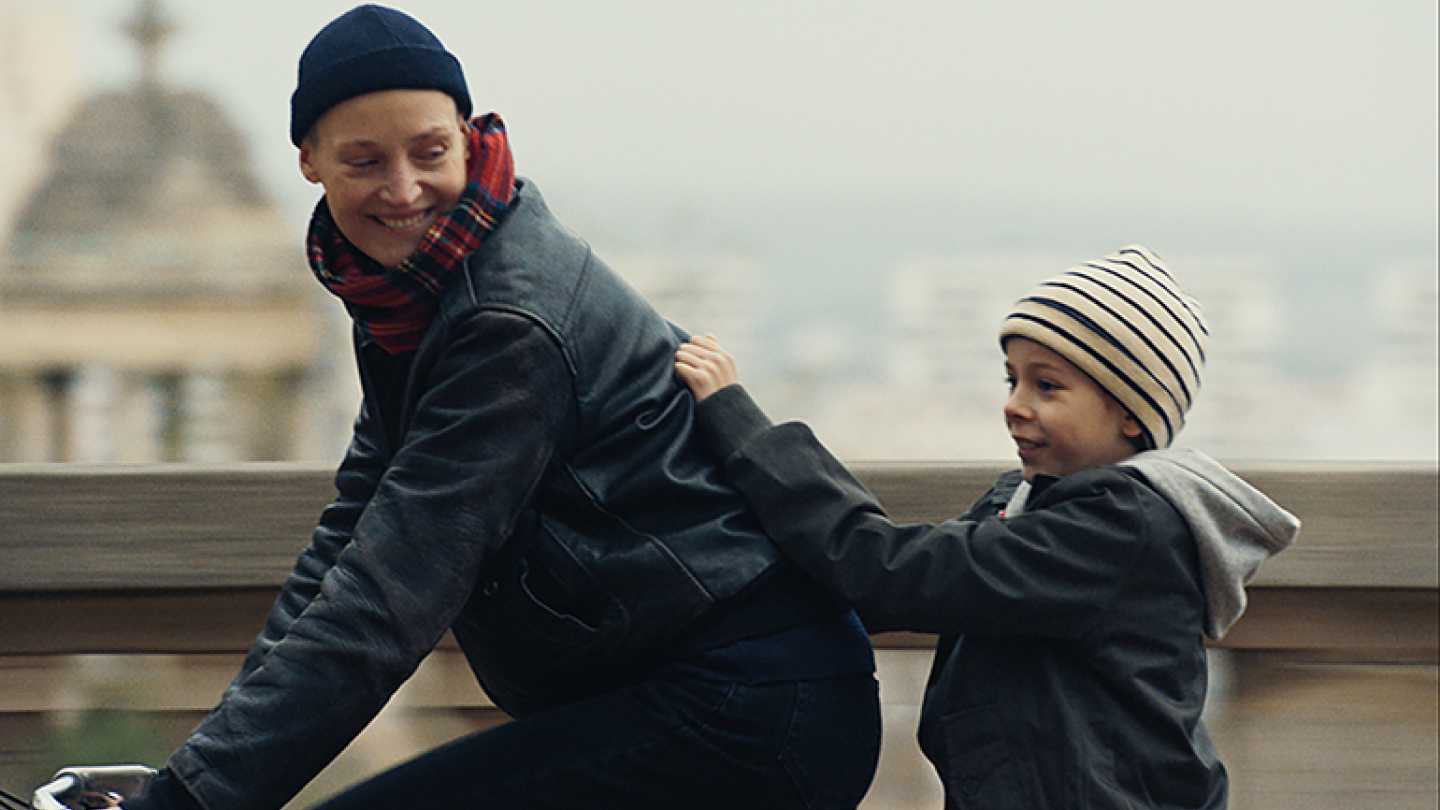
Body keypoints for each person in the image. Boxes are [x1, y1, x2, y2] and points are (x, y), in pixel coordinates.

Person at [118, 5, 880, 810]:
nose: (404, 189)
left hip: (749, 704)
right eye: (366, 160)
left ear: (470, 134)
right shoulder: (410, 296)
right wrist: (198, 780)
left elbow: (391, 594)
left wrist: (190, 800)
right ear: (309, 162)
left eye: (430, 151)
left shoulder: (504, 322)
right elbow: (346, 547)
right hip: (705, 693)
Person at [675, 246, 1301, 809]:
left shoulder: (1117, 529)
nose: (1013, 403)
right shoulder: (1033, 505)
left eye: (1047, 385)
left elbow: (895, 571)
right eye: (1012, 378)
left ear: (1131, 413)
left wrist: (743, 430)